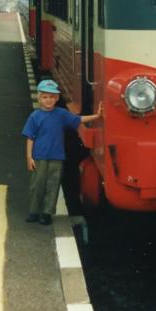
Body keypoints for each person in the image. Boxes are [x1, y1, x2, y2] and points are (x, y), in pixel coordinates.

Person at [23, 79, 103, 225]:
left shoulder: (61, 114)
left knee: (53, 185)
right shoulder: (35, 116)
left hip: (57, 157)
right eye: (45, 97)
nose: (48, 100)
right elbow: (30, 138)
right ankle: (34, 211)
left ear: (57, 98)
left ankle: (47, 213)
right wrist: (29, 157)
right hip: (39, 157)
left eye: (52, 97)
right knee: (37, 184)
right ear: (39, 98)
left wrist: (96, 116)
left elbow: (78, 119)